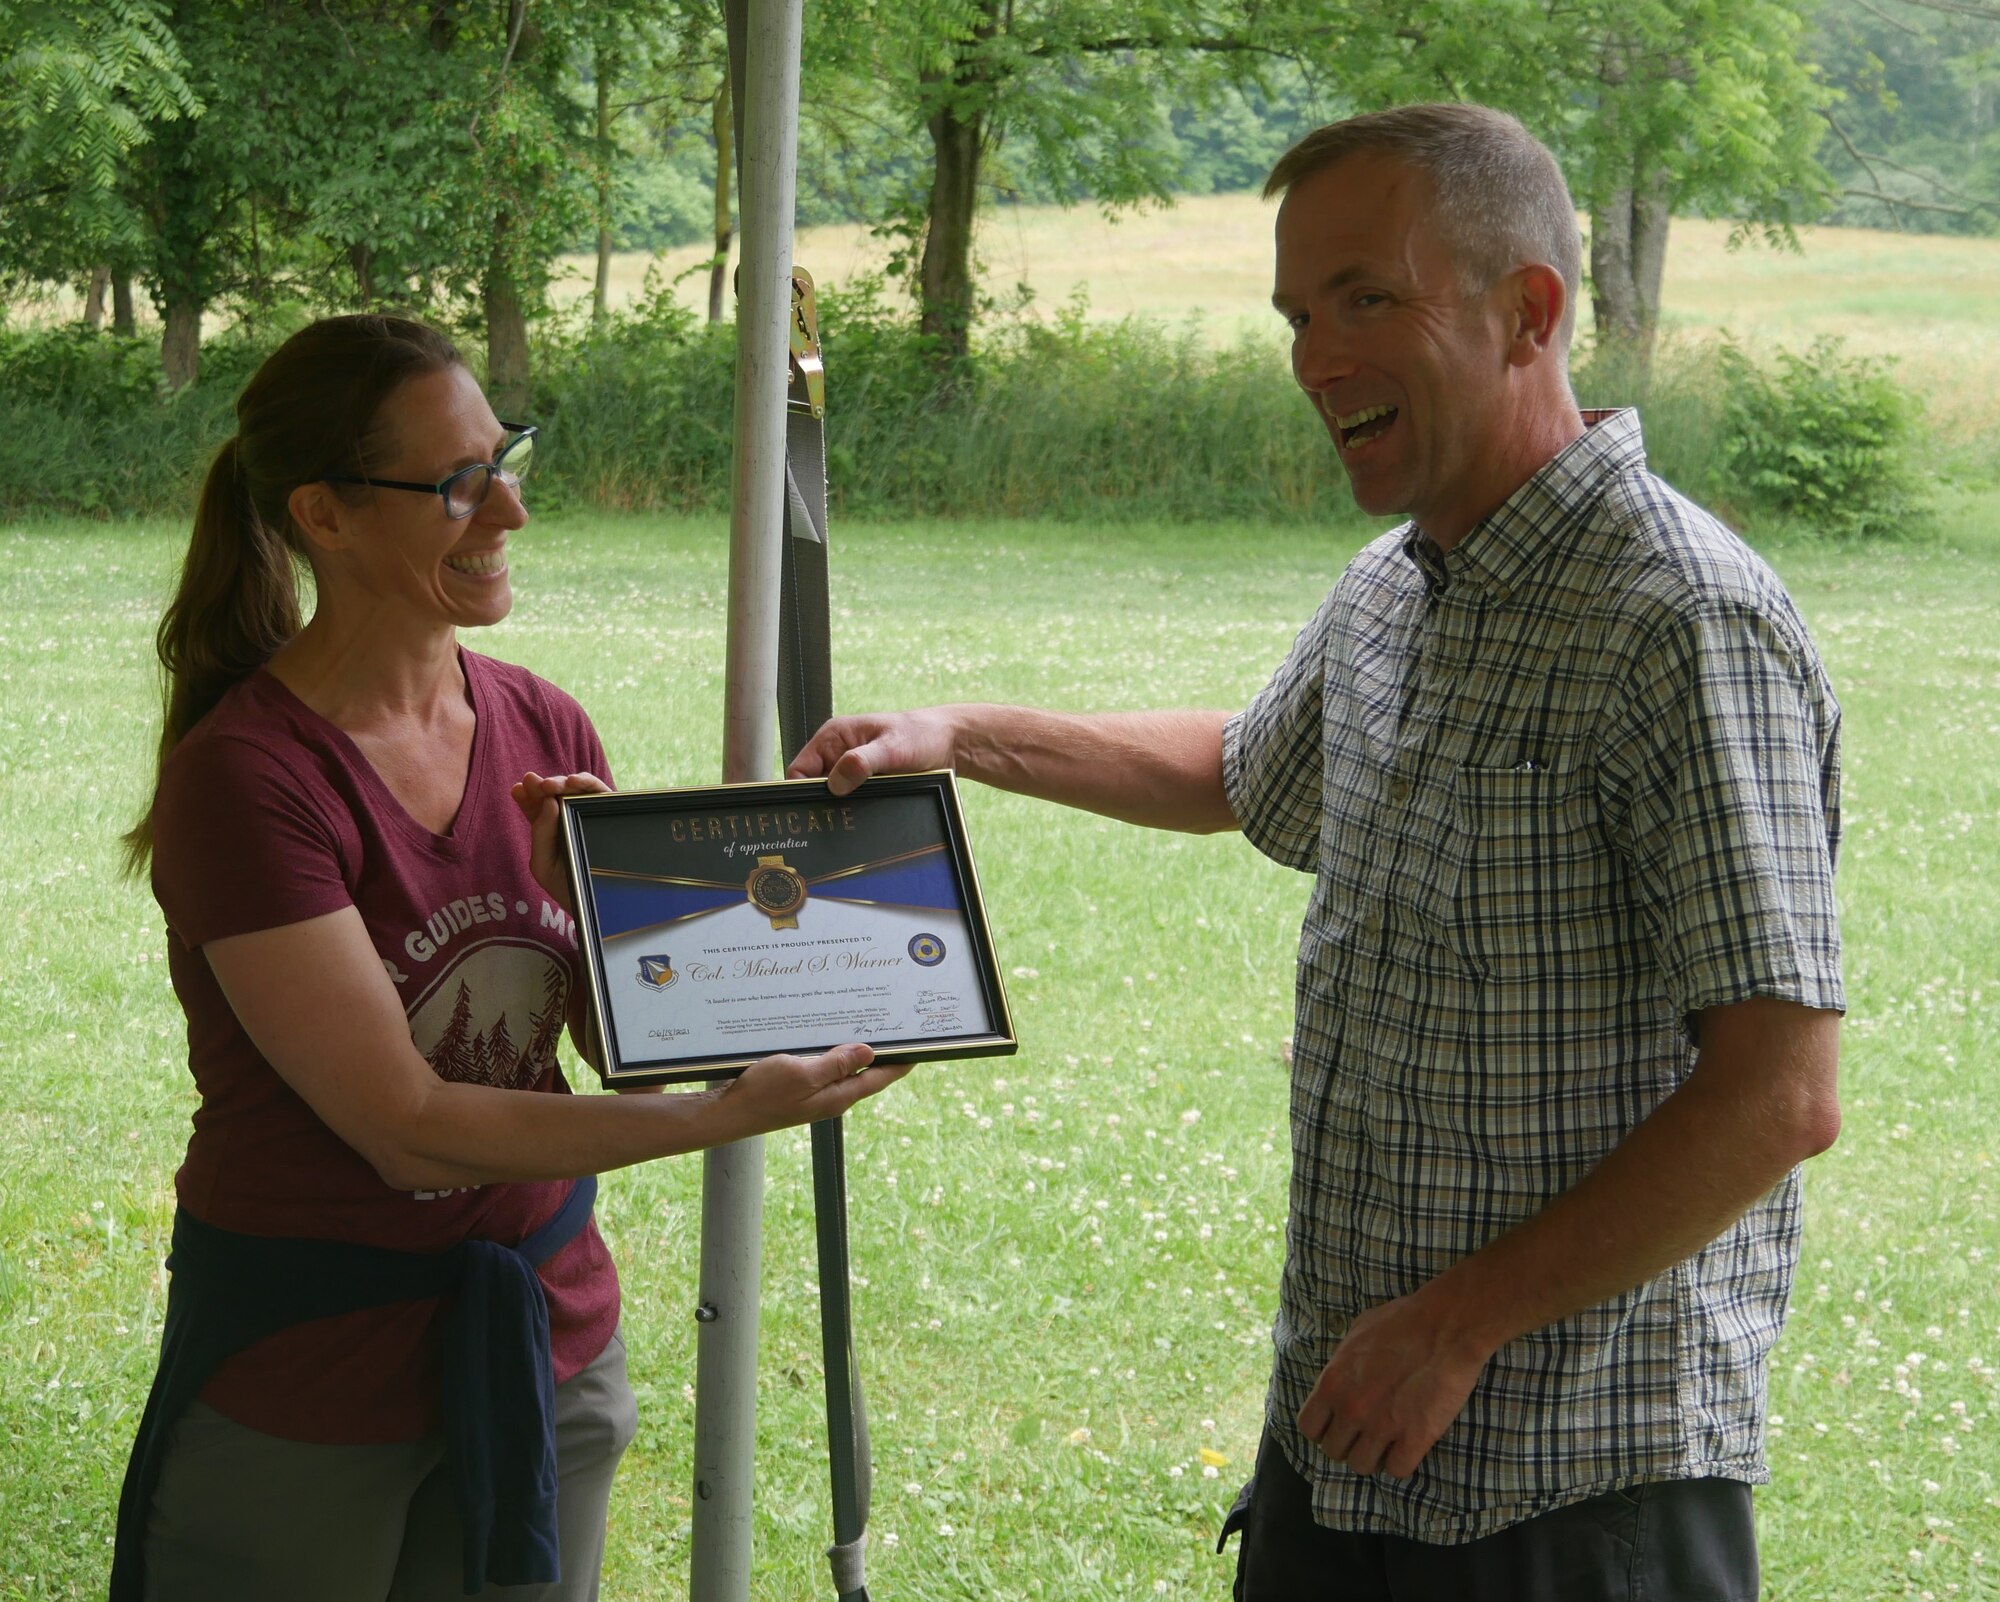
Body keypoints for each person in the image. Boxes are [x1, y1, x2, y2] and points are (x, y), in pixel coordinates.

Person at [788, 105, 1843, 1600]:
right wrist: (961, 735)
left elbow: (1779, 1096)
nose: (1316, 358)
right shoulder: (1397, 586)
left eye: (1367, 298)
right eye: (1297, 313)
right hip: (1349, 1439)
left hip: (1569, 1483)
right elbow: (1241, 771)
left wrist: (1460, 1320)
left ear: (1529, 311)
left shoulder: (1679, 620)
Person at [114, 314, 905, 1602]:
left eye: (505, 456)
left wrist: (608, 923)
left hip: (544, 1337)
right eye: (456, 483)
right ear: (323, 513)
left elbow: (623, 1046)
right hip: (313, 1365)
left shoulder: (538, 719)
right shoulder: (251, 781)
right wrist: (725, 1117)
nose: (512, 511)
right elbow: (408, 1128)